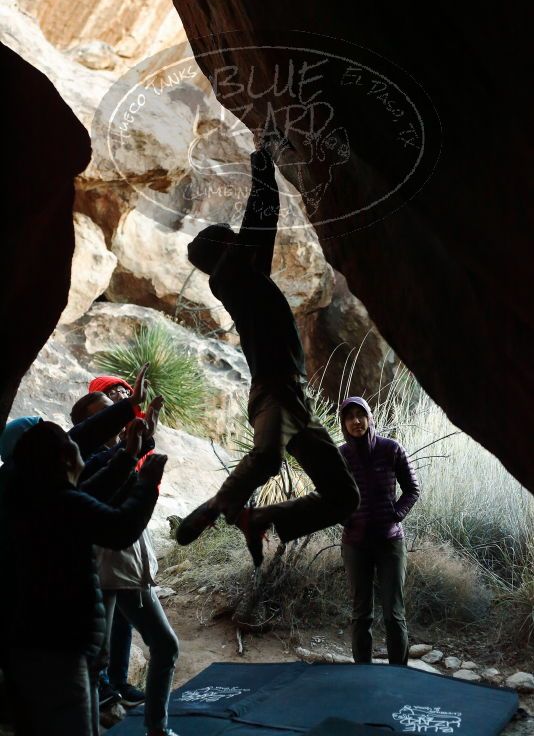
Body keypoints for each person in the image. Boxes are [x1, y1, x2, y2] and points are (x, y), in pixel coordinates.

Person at [177, 142, 360, 566]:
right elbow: (261, 220)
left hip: (295, 400)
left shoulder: (245, 276)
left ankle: (260, 517)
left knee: (345, 496)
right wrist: (262, 158)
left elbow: (264, 222)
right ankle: (215, 508)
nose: (240, 239)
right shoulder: (229, 277)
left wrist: (265, 164)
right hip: (274, 392)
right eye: (231, 238)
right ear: (225, 247)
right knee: (267, 457)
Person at [1, 418, 167, 736]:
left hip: (31, 644)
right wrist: (145, 483)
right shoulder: (60, 503)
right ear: (65, 459)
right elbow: (119, 528)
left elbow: (91, 494)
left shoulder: (35, 500)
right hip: (56, 647)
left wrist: (129, 455)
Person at [72, 378, 179, 736]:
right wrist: (134, 449)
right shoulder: (87, 462)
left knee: (165, 646)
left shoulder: (122, 454)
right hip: (104, 573)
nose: (119, 418)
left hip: (132, 570)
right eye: (107, 414)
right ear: (88, 425)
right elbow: (111, 491)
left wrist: (141, 438)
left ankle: (156, 728)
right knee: (93, 662)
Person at [339, 396, 420, 666]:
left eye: (360, 415)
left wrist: (395, 514)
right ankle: (363, 674)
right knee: (361, 614)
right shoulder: (341, 455)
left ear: (370, 418)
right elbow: (329, 494)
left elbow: (412, 488)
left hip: (390, 543)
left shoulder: (391, 449)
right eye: (349, 417)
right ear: (344, 423)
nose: (356, 421)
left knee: (393, 614)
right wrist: (346, 518)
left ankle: (399, 674)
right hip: (355, 544)